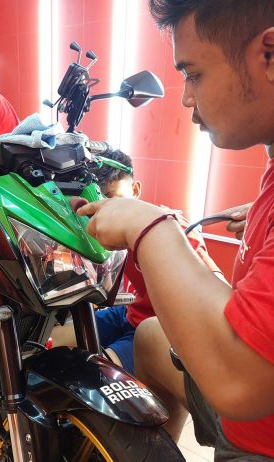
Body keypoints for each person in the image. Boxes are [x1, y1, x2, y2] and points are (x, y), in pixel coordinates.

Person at [73, 1, 274, 459]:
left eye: (194, 74)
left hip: (259, 435)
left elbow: (241, 382)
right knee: (150, 336)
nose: (186, 97)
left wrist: (150, 226)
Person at [93, 150, 222, 382]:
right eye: (99, 200)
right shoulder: (108, 231)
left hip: (162, 328)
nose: (106, 209)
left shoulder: (173, 230)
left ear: (135, 190)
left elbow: (217, 288)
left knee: (98, 375)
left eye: (112, 198)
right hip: (130, 314)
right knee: (56, 338)